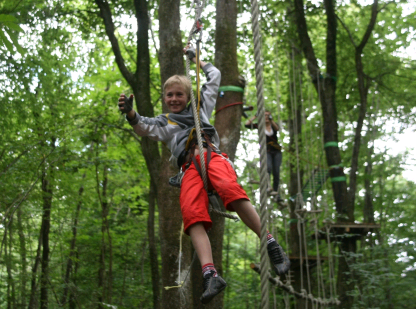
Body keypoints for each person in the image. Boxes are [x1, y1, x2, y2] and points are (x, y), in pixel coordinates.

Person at [117, 45, 290, 304]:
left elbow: (215, 77)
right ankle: (211, 274)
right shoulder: (164, 122)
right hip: (189, 170)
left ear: (188, 96)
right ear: (164, 98)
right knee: (192, 215)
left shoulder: (200, 107)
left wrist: (197, 61)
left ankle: (270, 244)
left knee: (231, 191)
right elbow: (143, 126)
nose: (174, 99)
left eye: (179, 95)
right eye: (169, 95)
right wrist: (130, 113)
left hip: (210, 156)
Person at [245, 111, 283, 202]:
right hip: (266, 151)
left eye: (267, 115)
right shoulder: (260, 126)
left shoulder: (273, 126)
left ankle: (276, 193)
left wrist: (271, 119)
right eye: (264, 115)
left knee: (276, 171)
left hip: (276, 151)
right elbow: (247, 124)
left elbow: (277, 129)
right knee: (268, 168)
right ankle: (267, 187)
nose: (266, 117)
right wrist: (255, 116)